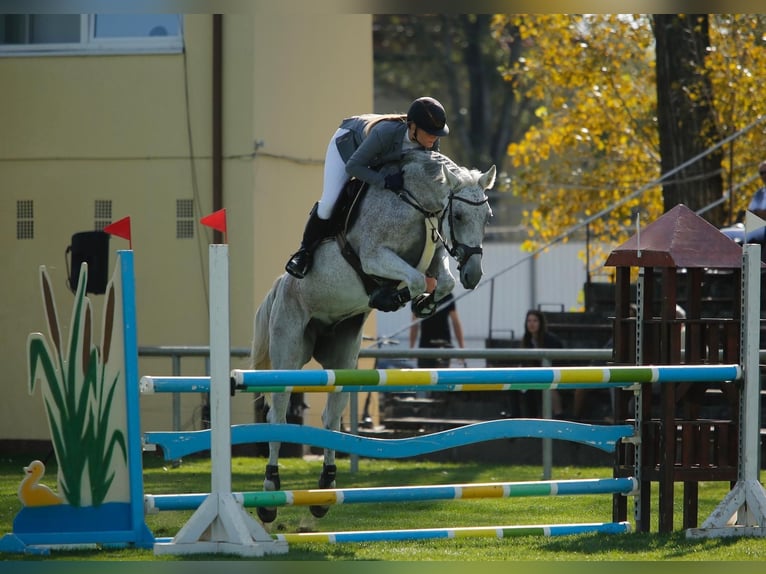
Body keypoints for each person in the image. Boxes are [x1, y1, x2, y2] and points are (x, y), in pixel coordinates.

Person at [285, 96, 450, 279]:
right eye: (429, 132)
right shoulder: (385, 133)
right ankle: (304, 253)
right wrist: (384, 181)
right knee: (329, 203)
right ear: (412, 127)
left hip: (379, 158)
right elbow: (354, 167)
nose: (434, 137)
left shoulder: (431, 141)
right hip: (348, 147)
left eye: (437, 133)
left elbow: (431, 174)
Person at [409, 277, 465, 368]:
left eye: (429, 276)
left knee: (442, 379)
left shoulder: (446, 295)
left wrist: (462, 348)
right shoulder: (418, 297)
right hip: (425, 347)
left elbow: (456, 323)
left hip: (444, 345)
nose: (426, 279)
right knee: (425, 379)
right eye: (424, 276)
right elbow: (414, 324)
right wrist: (411, 348)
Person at [518, 309, 564, 418]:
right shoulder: (526, 340)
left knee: (548, 386)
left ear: (541, 323)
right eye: (529, 321)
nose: (531, 324)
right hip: (533, 376)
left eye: (535, 321)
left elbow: (558, 361)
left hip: (553, 373)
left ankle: (558, 415)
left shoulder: (551, 340)